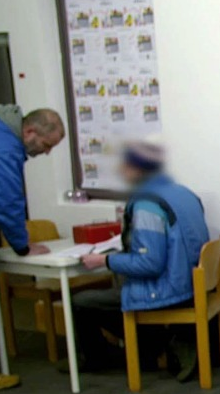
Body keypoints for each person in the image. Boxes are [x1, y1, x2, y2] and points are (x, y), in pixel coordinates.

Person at [71, 139, 210, 379]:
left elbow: (150, 263)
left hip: (167, 291)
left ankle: (106, 357)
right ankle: (154, 345)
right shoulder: (182, 192)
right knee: (114, 291)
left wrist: (103, 262)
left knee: (81, 302)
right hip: (191, 284)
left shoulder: (147, 205)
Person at [0, 105, 65, 391]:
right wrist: (22, 246)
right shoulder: (5, 149)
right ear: (29, 131)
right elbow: (7, 201)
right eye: (46, 145)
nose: (47, 152)